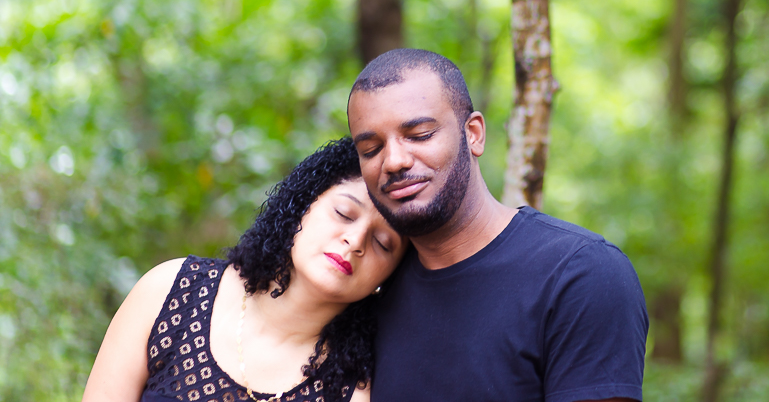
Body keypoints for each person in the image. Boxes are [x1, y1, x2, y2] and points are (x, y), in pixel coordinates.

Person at [347, 48, 649, 402]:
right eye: (371, 149)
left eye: (421, 134)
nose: (394, 161)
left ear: (473, 134)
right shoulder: (369, 286)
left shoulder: (581, 274)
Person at [82, 138, 405, 402]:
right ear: (303, 205)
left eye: (383, 242)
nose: (355, 240)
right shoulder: (171, 291)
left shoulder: (353, 392)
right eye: (344, 213)